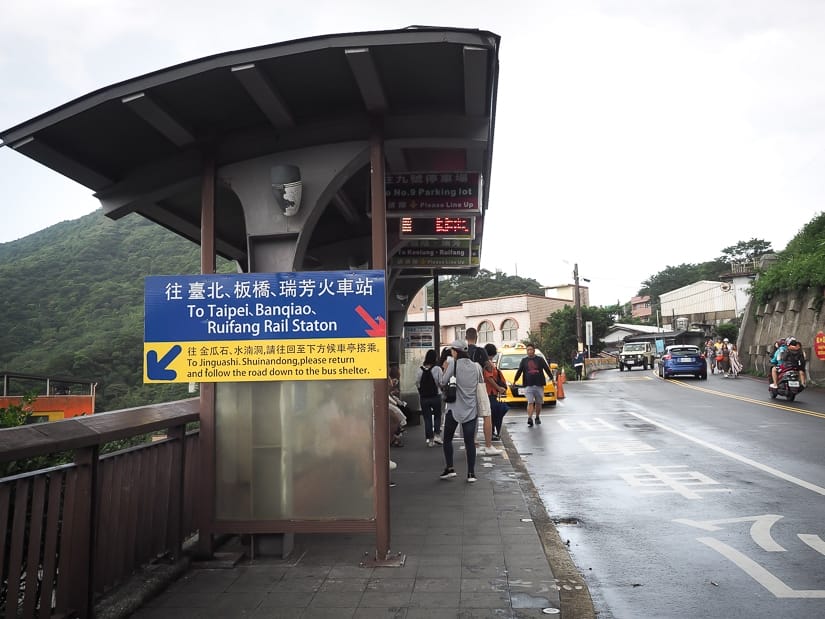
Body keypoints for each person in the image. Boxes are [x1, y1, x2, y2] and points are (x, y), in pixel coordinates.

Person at [439, 339, 482, 483]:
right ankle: (471, 473)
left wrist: (445, 369)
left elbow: (443, 382)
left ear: (455, 351)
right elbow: (480, 384)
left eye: (452, 350)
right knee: (469, 442)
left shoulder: (453, 364)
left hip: (454, 408)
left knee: (447, 439)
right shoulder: (476, 366)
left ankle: (450, 468)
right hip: (471, 409)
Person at [464, 328, 499, 455]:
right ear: (476, 337)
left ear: (466, 337)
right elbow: (489, 366)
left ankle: (472, 444)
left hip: (464, 387)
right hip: (478, 385)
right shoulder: (480, 351)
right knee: (486, 414)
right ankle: (488, 446)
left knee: (470, 416)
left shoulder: (462, 351)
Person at [512, 343, 554, 428]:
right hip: (528, 384)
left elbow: (547, 369)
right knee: (530, 402)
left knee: (538, 403)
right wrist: (515, 381)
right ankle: (530, 418)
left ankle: (537, 417)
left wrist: (552, 378)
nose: (529, 351)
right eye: (528, 350)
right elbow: (519, 371)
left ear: (534, 350)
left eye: (531, 349)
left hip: (539, 384)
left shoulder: (540, 360)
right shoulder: (524, 361)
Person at [416, 349, 443, 447]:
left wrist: (421, 391)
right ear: (435, 358)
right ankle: (437, 435)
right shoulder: (437, 369)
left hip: (424, 397)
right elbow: (441, 382)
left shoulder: (420, 369)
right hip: (436, 396)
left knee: (427, 418)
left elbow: (417, 383)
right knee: (437, 416)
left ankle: (430, 440)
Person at [484, 343, 509, 441]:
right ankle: (491, 434)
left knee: (493, 413)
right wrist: (499, 388)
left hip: (490, 392)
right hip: (489, 392)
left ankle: (492, 432)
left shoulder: (486, 363)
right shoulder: (488, 364)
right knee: (492, 414)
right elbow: (489, 377)